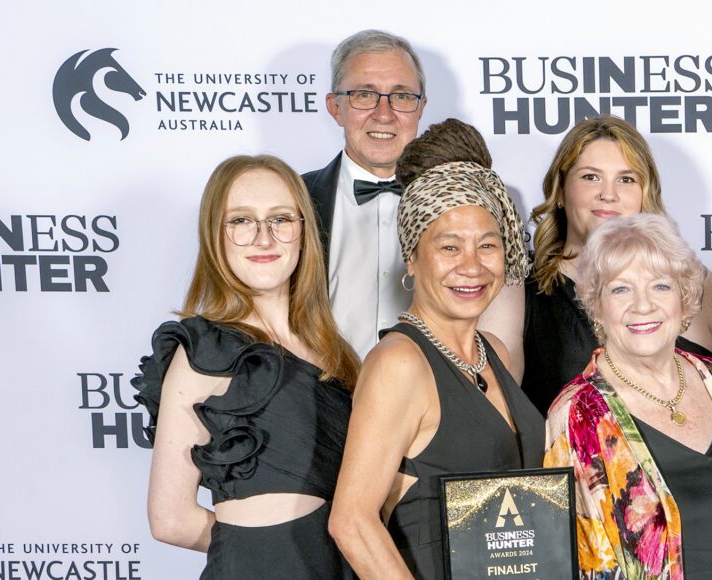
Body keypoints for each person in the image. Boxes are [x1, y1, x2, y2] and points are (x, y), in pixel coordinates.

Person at [328, 119, 542, 579]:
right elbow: (352, 522)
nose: (472, 265)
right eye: (449, 247)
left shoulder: (495, 354)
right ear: (412, 258)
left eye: (488, 245)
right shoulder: (399, 362)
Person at [136, 154, 363, 578]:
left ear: (302, 232)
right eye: (241, 221)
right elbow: (171, 520)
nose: (263, 238)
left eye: (280, 219)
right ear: (215, 235)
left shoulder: (335, 350)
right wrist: (266, 548)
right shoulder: (205, 351)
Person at [541, 213, 712, 579]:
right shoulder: (577, 414)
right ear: (597, 303)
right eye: (621, 289)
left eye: (660, 286)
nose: (643, 306)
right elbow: (574, 562)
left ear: (683, 296)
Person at [481, 115, 712, 412]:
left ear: (646, 194)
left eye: (626, 179)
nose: (608, 194)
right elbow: (494, 407)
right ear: (560, 191)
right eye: (590, 177)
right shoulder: (519, 285)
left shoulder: (695, 281)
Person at [301, 29, 433, 356]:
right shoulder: (293, 199)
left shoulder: (462, 202)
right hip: (316, 399)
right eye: (364, 94)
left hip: (432, 401)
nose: (384, 114)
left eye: (401, 96)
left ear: (421, 107)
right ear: (335, 107)